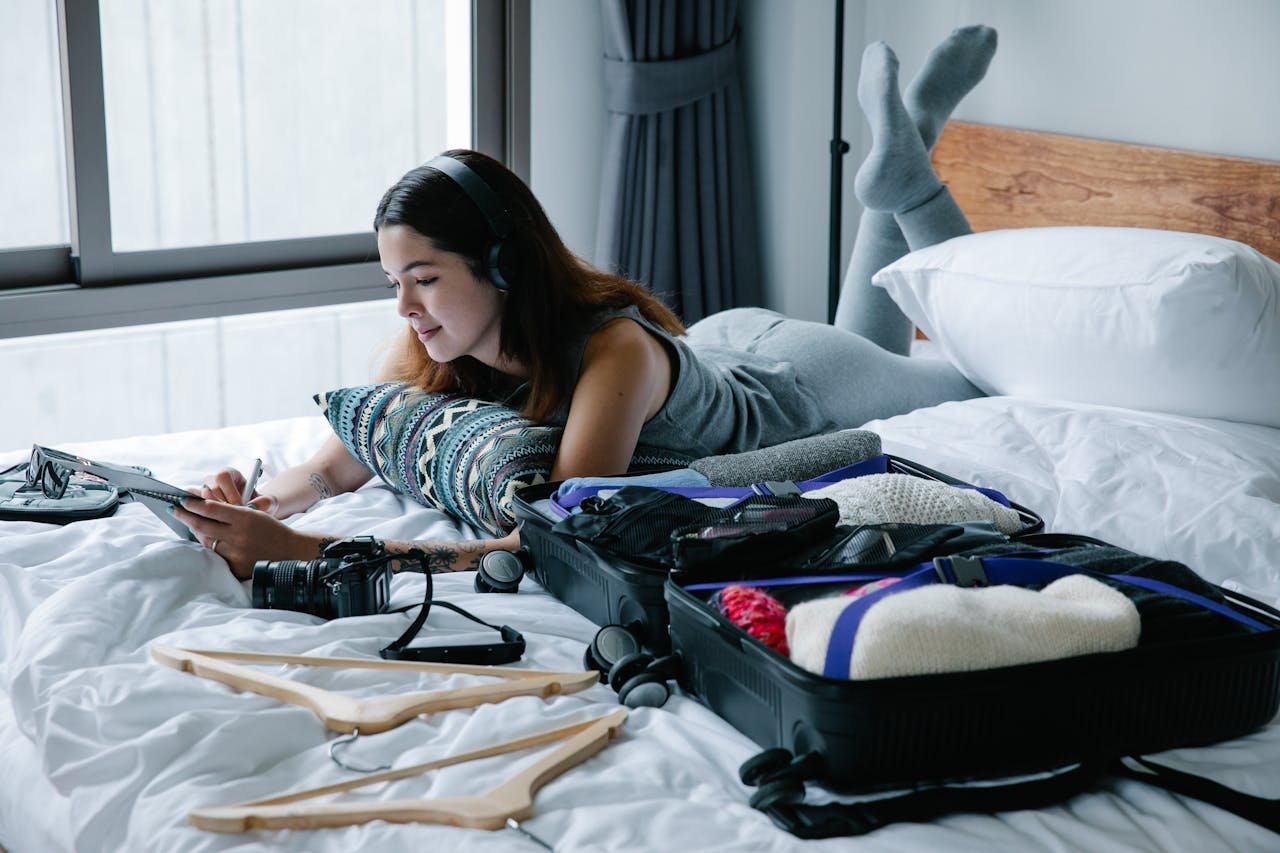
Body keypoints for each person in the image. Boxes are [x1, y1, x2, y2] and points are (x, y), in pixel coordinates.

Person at [174, 26, 998, 580]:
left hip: (808, 383)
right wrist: (260, 502)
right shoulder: (449, 346)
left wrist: (312, 552)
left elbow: (555, 540)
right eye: (394, 282)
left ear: (501, 263)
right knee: (892, 327)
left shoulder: (612, 352)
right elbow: (330, 464)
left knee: (983, 378)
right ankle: (910, 150)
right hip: (725, 343)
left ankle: (913, 184)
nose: (406, 309)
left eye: (424, 278)